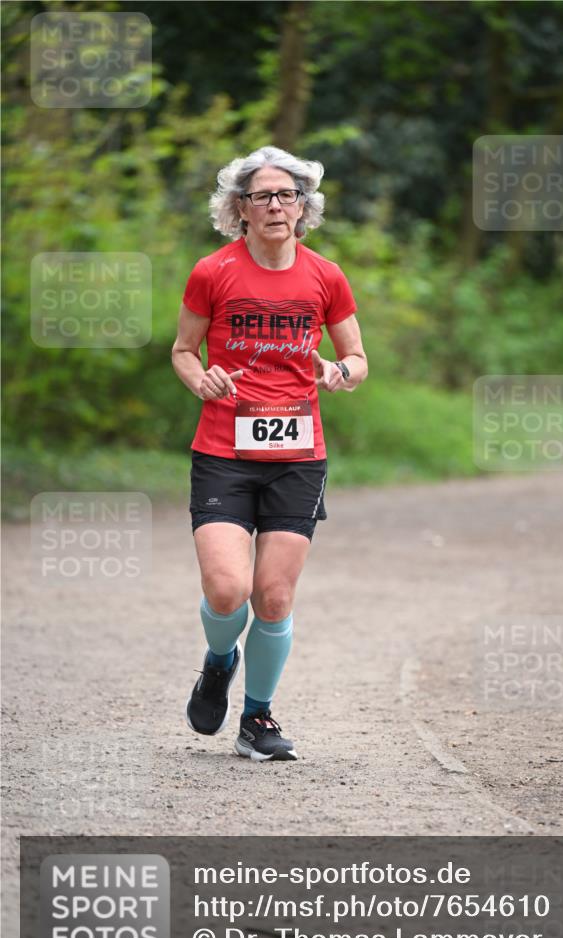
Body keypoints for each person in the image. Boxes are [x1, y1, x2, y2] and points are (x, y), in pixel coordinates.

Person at [172, 146, 367, 762]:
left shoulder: (326, 275)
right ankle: (217, 661)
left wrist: (340, 372)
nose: (278, 205)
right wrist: (200, 377)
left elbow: (358, 360)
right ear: (241, 208)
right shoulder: (212, 272)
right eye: (264, 196)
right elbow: (183, 349)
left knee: (274, 598)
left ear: (304, 206)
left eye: (289, 195)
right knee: (228, 591)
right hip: (224, 452)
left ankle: (257, 720)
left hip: (298, 455)